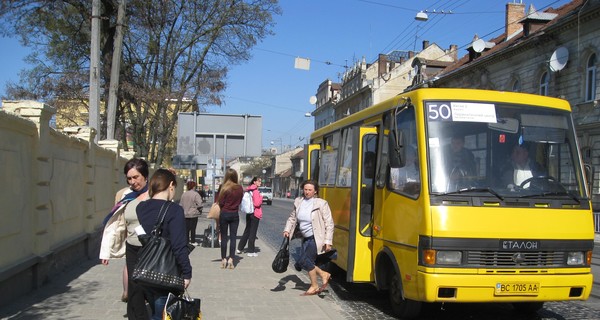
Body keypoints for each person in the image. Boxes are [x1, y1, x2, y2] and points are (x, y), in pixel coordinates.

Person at [136, 169, 192, 320]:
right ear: (171, 185)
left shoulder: (141, 208)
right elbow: (179, 245)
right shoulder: (175, 210)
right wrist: (187, 273)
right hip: (166, 273)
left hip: (146, 270)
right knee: (162, 316)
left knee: (156, 312)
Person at [99, 158, 150, 319]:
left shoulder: (156, 194)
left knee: (147, 287)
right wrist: (106, 251)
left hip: (151, 248)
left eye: (136, 177)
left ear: (145, 176)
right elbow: (115, 224)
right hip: (133, 247)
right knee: (134, 289)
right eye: (129, 178)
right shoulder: (126, 195)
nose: (133, 182)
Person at [282, 179, 334, 296]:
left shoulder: (321, 203)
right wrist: (287, 229)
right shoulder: (298, 201)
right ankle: (323, 274)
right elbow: (292, 218)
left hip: (316, 238)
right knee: (303, 262)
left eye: (310, 190)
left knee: (304, 261)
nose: (307, 192)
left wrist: (328, 241)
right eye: (305, 189)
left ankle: (314, 286)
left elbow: (329, 223)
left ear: (315, 191)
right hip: (305, 237)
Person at [216, 168, 244, 269]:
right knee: (233, 238)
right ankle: (231, 259)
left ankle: (223, 259)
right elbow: (240, 201)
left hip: (224, 214)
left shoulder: (223, 188)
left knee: (224, 237)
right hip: (235, 215)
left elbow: (220, 202)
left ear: (226, 176)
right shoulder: (240, 188)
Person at [237, 177, 263, 256]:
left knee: (247, 231)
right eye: (259, 181)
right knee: (253, 232)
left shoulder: (249, 189)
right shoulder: (255, 191)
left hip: (249, 213)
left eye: (260, 181)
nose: (260, 183)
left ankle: (240, 248)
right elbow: (257, 204)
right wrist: (261, 197)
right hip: (255, 213)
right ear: (254, 182)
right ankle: (251, 251)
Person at [180, 180, 203, 246]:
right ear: (193, 186)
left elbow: (181, 204)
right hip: (193, 214)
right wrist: (199, 209)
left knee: (186, 229)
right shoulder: (196, 194)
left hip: (185, 214)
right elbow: (200, 204)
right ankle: (193, 241)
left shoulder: (184, 194)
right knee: (193, 228)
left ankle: (186, 241)